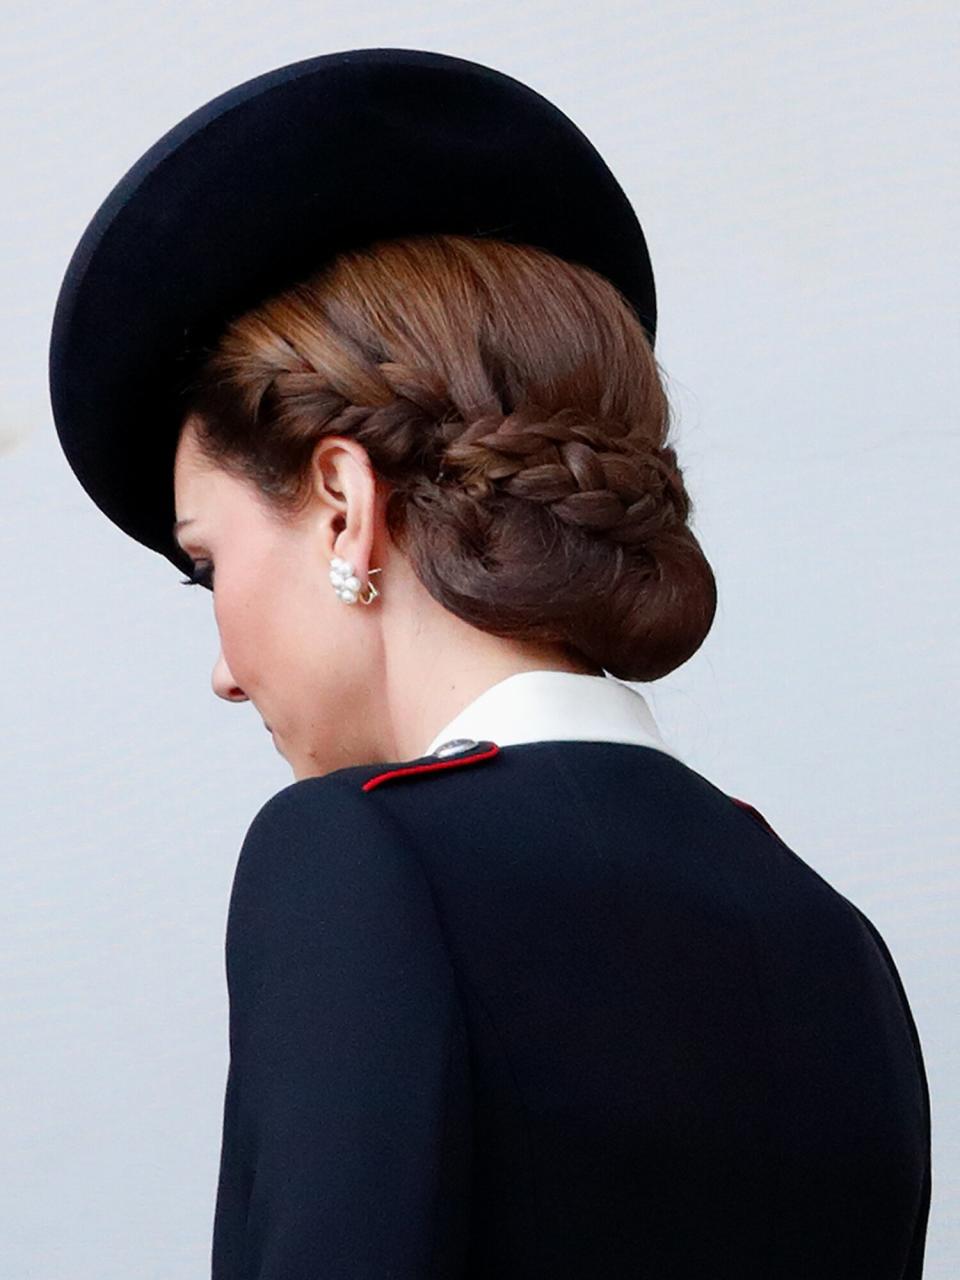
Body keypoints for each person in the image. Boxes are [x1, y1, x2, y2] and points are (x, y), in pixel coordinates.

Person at [49, 47, 931, 1279]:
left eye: (208, 565)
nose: (224, 672)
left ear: (343, 502)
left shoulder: (356, 857)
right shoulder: (833, 936)